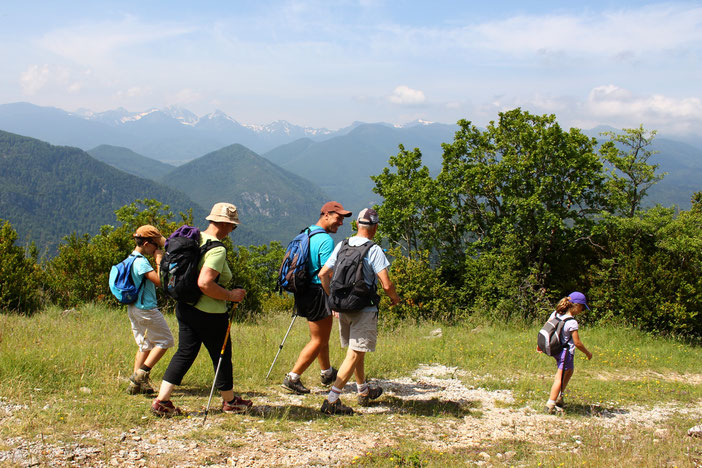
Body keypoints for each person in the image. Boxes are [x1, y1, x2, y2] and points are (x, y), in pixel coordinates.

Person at [151, 202, 251, 416]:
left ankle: (162, 401)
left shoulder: (192, 240)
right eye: (233, 226)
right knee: (222, 355)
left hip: (185, 306)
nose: (232, 231)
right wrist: (231, 295)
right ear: (224, 224)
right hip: (210, 314)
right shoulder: (216, 248)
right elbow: (205, 283)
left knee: (185, 352)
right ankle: (230, 402)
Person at [317, 208, 401, 415]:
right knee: (355, 354)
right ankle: (332, 400)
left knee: (356, 352)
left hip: (343, 307)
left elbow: (323, 274)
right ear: (376, 228)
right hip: (364, 308)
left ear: (357, 225)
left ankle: (363, 391)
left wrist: (333, 300)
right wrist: (395, 299)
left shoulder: (342, 245)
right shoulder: (374, 250)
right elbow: (387, 285)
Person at [281, 201, 352, 394]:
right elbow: (327, 273)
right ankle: (293, 377)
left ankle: (327, 373)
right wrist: (334, 298)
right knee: (318, 340)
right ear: (326, 214)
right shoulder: (326, 240)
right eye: (338, 218)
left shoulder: (306, 233)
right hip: (318, 292)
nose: (341, 223)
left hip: (303, 291)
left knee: (321, 337)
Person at [125, 225, 175, 395]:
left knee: (145, 346)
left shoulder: (130, 259)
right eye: (156, 245)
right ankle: (141, 374)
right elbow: (160, 281)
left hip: (133, 308)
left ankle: (137, 386)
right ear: (147, 243)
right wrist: (159, 261)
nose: (157, 249)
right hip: (146, 309)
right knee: (166, 341)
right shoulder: (141, 262)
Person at [545, 292, 593, 414]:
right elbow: (577, 343)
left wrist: (541, 345)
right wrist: (588, 353)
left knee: (569, 371)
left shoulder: (556, 314)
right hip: (565, 352)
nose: (582, 310)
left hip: (556, 348)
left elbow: (546, 328)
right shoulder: (572, 322)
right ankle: (551, 404)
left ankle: (560, 396)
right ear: (576, 306)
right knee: (559, 377)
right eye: (582, 307)